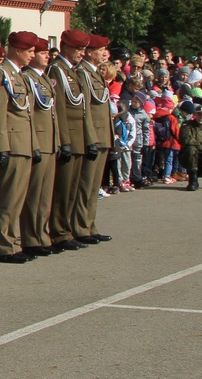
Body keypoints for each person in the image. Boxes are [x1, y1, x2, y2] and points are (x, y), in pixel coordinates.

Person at [0, 31, 40, 263]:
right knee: (7, 199)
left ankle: (12, 243)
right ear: (17, 50)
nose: (33, 55)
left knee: (17, 199)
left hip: (23, 143)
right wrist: (2, 146)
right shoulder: (1, 75)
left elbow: (27, 114)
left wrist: (34, 145)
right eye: (30, 51)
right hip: (12, 144)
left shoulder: (19, 76)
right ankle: (3, 247)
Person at [46, 29, 95, 252]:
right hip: (69, 137)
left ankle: (68, 229)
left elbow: (82, 108)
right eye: (78, 49)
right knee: (63, 189)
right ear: (65, 47)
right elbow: (60, 109)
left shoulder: (72, 71)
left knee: (73, 188)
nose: (81, 53)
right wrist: (64, 140)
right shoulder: (57, 71)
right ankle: (59, 232)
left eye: (83, 49)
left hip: (79, 137)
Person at [73, 34, 115, 245]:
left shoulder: (96, 73)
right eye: (100, 50)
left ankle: (90, 225)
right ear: (89, 52)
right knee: (86, 184)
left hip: (103, 135)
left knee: (94, 186)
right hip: (93, 136)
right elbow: (85, 109)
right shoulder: (83, 73)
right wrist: (90, 138)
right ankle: (81, 227)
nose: (104, 53)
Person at [21, 38, 60, 257]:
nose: (47, 56)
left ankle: (42, 235)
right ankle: (30, 237)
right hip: (38, 141)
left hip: (49, 141)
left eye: (47, 53)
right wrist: (33, 143)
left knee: (45, 195)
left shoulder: (43, 79)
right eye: (42, 53)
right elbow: (29, 115)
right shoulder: (28, 79)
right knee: (34, 194)